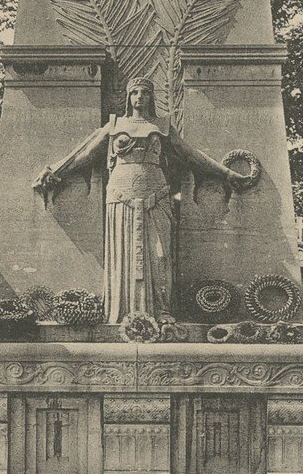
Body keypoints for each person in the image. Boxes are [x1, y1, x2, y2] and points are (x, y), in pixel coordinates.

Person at [33, 77, 251, 324]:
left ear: (151, 97)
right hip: (119, 193)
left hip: (156, 193)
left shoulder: (163, 125)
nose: (139, 97)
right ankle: (121, 311)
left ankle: (161, 309)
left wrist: (225, 172)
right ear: (128, 97)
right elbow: (86, 154)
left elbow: (191, 154)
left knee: (159, 253)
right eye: (134, 92)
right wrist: (56, 171)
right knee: (122, 251)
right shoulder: (115, 124)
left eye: (145, 93)